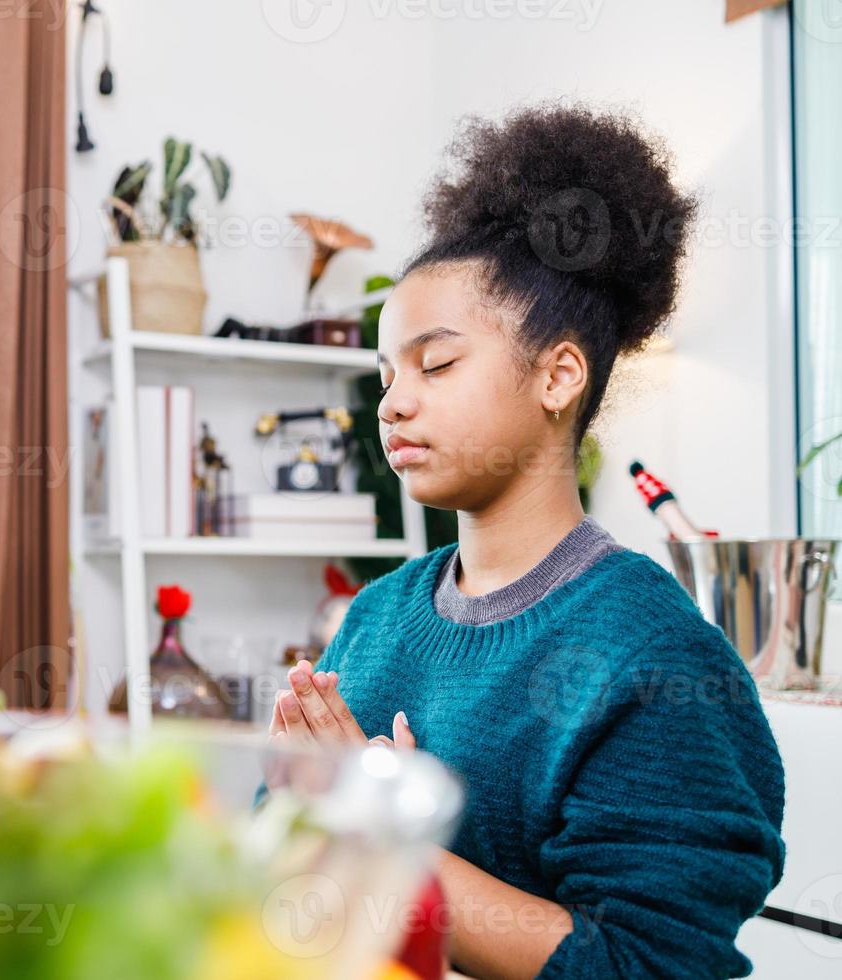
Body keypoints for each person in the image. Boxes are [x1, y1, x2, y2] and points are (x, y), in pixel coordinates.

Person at [269, 106, 784, 978]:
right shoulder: (378, 617)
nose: (392, 403)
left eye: (435, 365)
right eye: (385, 375)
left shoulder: (653, 660)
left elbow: (648, 964)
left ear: (558, 375)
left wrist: (383, 833)